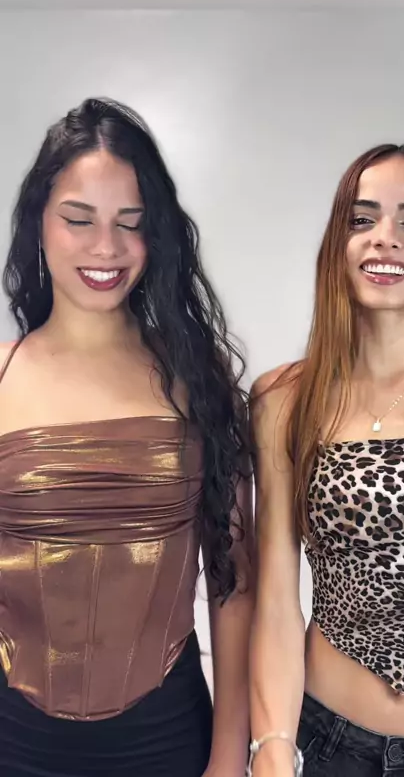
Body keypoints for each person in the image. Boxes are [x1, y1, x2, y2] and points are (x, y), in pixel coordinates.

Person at [0, 97, 253, 777]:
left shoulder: (198, 378)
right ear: (39, 222)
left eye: (131, 224)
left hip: (169, 740)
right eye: (79, 219)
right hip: (12, 742)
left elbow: (234, 583)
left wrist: (230, 756)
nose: (106, 248)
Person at [249, 143, 404, 777]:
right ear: (339, 246)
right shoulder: (283, 400)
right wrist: (271, 747)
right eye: (363, 218)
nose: (386, 237)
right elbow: (276, 599)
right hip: (327, 744)